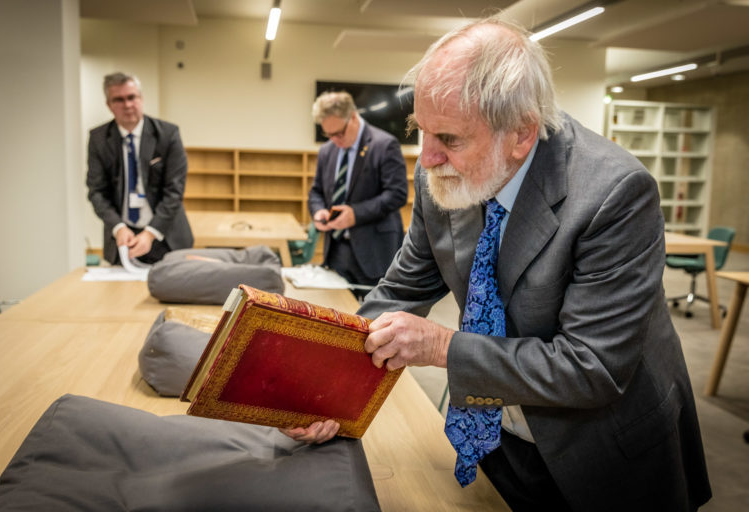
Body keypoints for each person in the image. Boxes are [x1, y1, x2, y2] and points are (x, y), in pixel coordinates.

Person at [282, 17, 712, 511]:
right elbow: (401, 289)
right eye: (421, 131)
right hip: (498, 433)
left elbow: (591, 367)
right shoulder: (442, 176)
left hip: (603, 451)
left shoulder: (614, 193)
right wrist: (324, 388)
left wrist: (443, 346)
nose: (427, 159)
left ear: (522, 134)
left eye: (449, 138)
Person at [308, 91, 408, 297]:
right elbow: (316, 192)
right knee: (339, 315)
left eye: (339, 133)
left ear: (353, 117)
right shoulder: (327, 151)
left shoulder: (384, 145)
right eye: (329, 134)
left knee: (374, 320)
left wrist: (355, 214)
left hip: (374, 251)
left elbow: (397, 194)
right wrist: (318, 212)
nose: (334, 140)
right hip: (337, 250)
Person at [86, 72, 193, 265]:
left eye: (131, 97)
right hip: (123, 239)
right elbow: (97, 192)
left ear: (141, 98)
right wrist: (118, 227)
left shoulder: (168, 135)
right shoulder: (98, 139)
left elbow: (174, 191)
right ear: (109, 105)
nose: (127, 105)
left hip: (165, 236)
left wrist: (150, 233)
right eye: (118, 99)